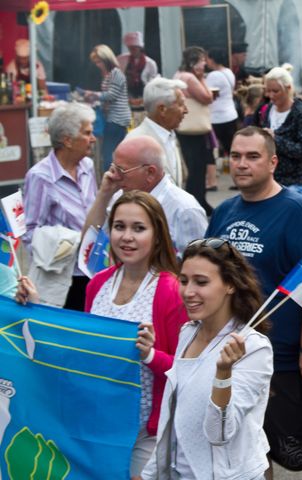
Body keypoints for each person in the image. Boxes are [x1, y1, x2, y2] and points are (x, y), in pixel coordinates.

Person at [205, 127, 302, 479]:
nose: (242, 164)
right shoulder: (224, 212)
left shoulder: (298, 213)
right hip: (232, 351)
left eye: (252, 156)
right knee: (245, 445)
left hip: (284, 355)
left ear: (273, 162)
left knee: (292, 448)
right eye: (236, 156)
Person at [16, 191, 188, 479]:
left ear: (158, 236)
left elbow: (187, 370)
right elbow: (82, 349)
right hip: (98, 424)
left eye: (139, 228)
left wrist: (151, 355)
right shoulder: (97, 284)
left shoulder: (171, 291)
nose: (127, 237)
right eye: (119, 227)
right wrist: (33, 308)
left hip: (147, 431)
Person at [141, 239, 273, 479]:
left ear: (230, 284)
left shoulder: (254, 347)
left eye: (201, 282)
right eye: (184, 281)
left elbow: (219, 433)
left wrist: (223, 375)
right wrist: (152, 472)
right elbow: (174, 418)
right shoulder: (187, 332)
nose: (188, 292)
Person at [22, 102, 97, 311]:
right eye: (87, 133)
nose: (93, 138)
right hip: (64, 277)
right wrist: (63, 246)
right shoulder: (40, 177)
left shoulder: (88, 166)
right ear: (67, 140)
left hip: (95, 267)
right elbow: (29, 232)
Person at [83, 135, 208, 256]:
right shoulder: (119, 195)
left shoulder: (184, 210)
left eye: (121, 170)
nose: (114, 176)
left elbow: (199, 262)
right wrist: (103, 195)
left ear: (150, 173)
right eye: (113, 168)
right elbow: (89, 246)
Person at [257, 65, 302, 197]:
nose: (271, 95)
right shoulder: (268, 109)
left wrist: (275, 138)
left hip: (297, 180)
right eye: (268, 91)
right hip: (273, 180)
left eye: (275, 91)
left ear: (288, 88)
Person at [174, 46, 215, 216]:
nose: (205, 64)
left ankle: (198, 199)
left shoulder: (178, 74)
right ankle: (197, 200)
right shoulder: (190, 78)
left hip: (184, 128)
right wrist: (202, 79)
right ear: (194, 62)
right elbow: (207, 97)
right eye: (202, 60)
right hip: (194, 129)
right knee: (197, 167)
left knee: (192, 165)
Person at [126, 77, 188, 186]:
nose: (186, 110)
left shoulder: (170, 136)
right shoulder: (135, 143)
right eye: (181, 104)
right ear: (162, 109)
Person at [85, 44, 132, 171]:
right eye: (96, 62)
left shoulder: (116, 73)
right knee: (112, 151)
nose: (97, 65)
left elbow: (112, 95)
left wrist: (94, 95)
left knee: (108, 153)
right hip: (113, 117)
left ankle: (110, 176)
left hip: (117, 118)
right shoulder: (109, 74)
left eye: (99, 62)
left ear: (107, 59)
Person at [205, 48, 239, 191]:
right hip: (230, 114)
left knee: (210, 149)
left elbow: (206, 93)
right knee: (233, 149)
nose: (206, 61)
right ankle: (238, 181)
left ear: (212, 59)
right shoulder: (228, 72)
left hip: (216, 117)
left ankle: (212, 182)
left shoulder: (213, 75)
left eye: (207, 58)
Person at [117, 32, 159, 124]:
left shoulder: (150, 63)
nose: (132, 50)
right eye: (130, 48)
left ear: (140, 48)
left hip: (143, 100)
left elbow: (153, 85)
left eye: (134, 48)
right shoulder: (121, 60)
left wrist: (144, 99)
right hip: (126, 100)